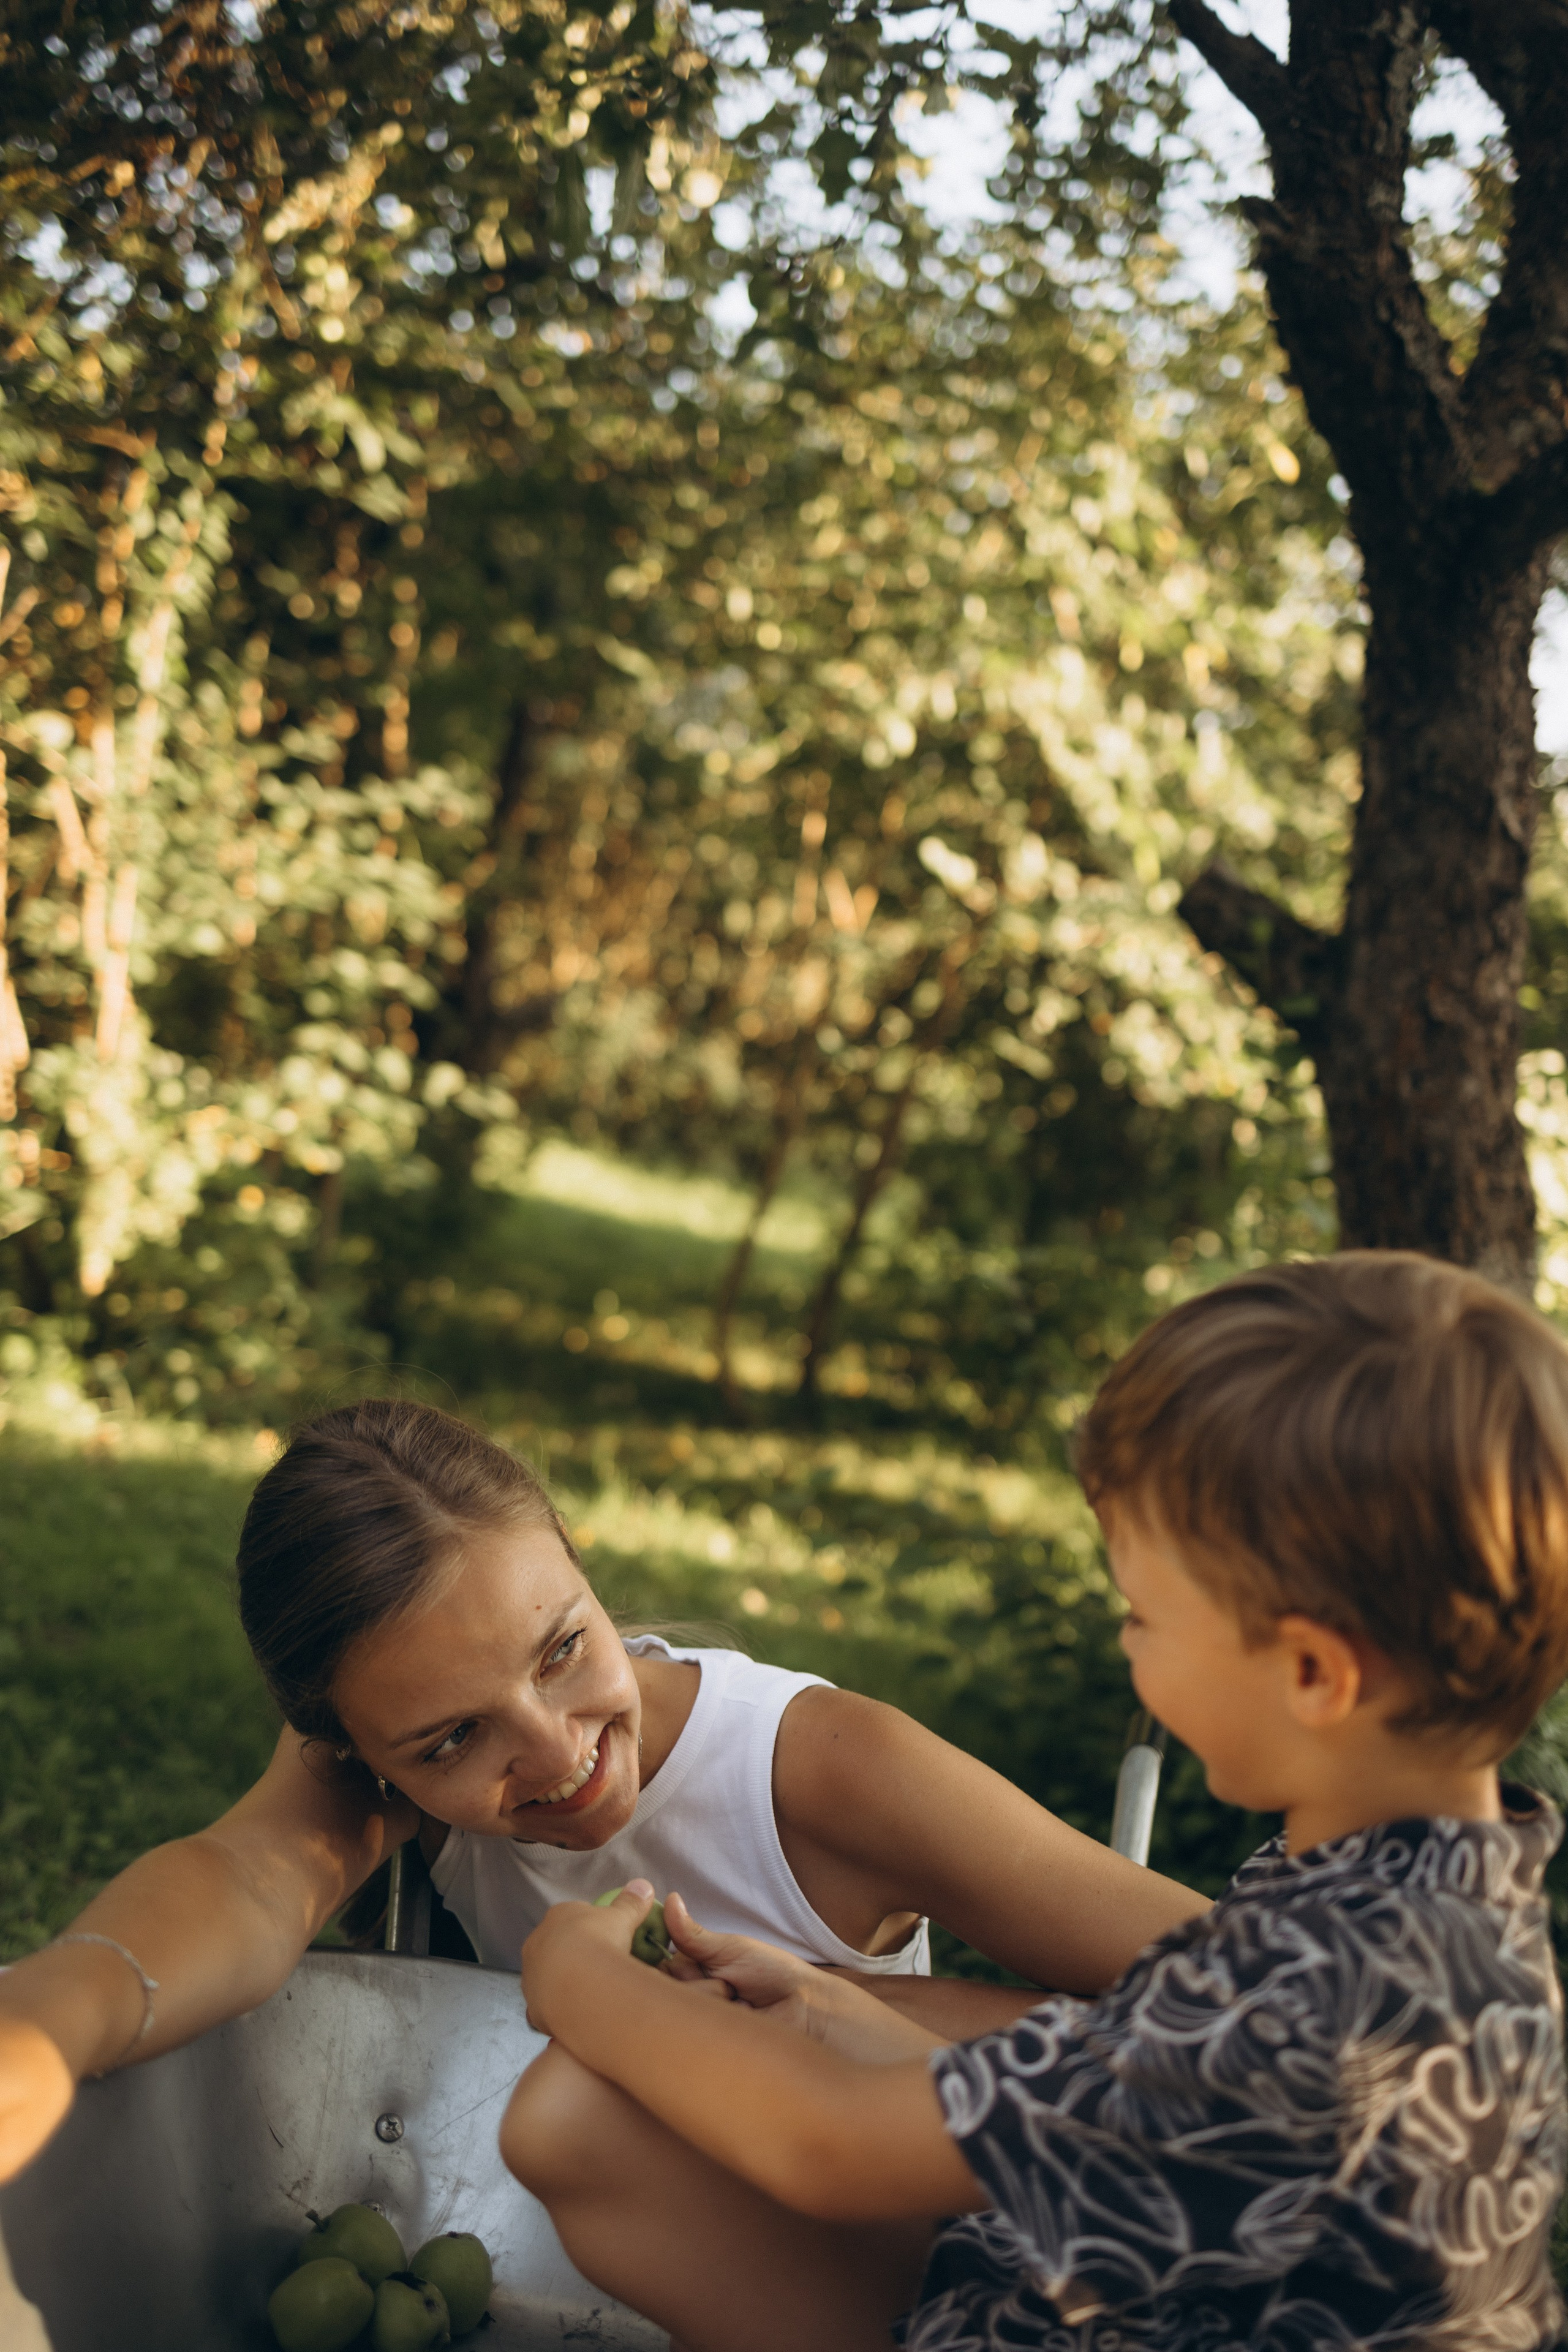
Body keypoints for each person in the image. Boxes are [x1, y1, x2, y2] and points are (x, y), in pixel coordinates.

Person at [503, 1251, 1568, 2352]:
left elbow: (826, 2146)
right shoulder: (1425, 1892)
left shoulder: (1330, 1997)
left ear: (1312, 1674)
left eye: (1145, 1615)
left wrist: (587, 1983)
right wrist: (829, 2012)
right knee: (578, 2119)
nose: (1129, 1644)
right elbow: (1133, 2110)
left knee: (566, 2115)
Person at [0, 1396, 1203, 2194]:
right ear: (358, 1751)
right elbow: (244, 1881)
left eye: (564, 1648)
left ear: (577, 1563)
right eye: (453, 1739)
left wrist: (813, 2011)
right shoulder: (379, 1759)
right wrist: (53, 2018)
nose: (555, 1752)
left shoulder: (821, 1768)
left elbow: (1252, 2008)